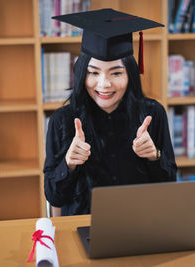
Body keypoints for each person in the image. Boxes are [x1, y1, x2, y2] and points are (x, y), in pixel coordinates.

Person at [44, 9, 177, 216]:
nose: (104, 84)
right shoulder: (62, 121)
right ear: (81, 74)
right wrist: (68, 164)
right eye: (93, 72)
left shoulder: (152, 114)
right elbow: (54, 197)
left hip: (140, 224)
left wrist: (154, 156)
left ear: (131, 74)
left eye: (116, 73)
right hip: (84, 226)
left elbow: (169, 186)